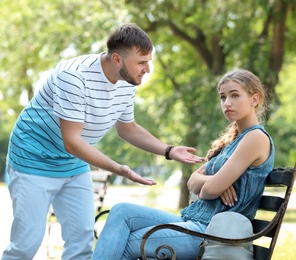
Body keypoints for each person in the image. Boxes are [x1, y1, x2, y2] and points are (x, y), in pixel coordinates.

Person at [2, 24, 204, 260]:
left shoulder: (127, 83)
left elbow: (128, 129)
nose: (147, 69)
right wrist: (120, 169)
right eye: (141, 62)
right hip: (33, 160)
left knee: (81, 241)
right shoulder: (73, 77)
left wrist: (168, 150)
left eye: (149, 61)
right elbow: (73, 141)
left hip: (72, 163)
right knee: (26, 243)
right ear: (117, 59)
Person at [92, 69, 275, 260]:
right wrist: (213, 182)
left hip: (210, 233)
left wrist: (211, 185)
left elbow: (206, 191)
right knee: (121, 211)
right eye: (223, 97)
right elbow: (193, 182)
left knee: (127, 242)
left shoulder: (255, 138)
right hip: (195, 221)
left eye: (235, 95)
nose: (227, 103)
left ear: (254, 99)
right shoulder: (233, 141)